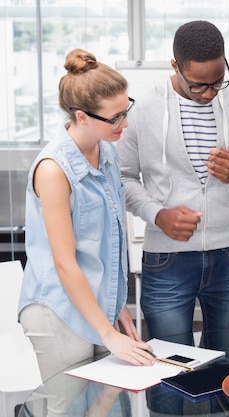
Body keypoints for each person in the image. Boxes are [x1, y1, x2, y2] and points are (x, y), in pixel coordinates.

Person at [119, 20, 229, 369]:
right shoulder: (141, 107)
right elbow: (122, 177)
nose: (211, 93)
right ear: (175, 67)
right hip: (166, 259)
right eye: (199, 85)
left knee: (228, 366)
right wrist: (158, 214)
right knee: (169, 368)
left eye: (218, 82)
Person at [18, 48, 153, 416]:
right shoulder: (53, 169)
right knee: (68, 410)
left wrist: (117, 304)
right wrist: (109, 334)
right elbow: (65, 264)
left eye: (127, 109)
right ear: (82, 116)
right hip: (59, 313)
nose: (124, 123)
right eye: (116, 117)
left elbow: (108, 243)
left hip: (95, 304)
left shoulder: (106, 151)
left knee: (106, 406)